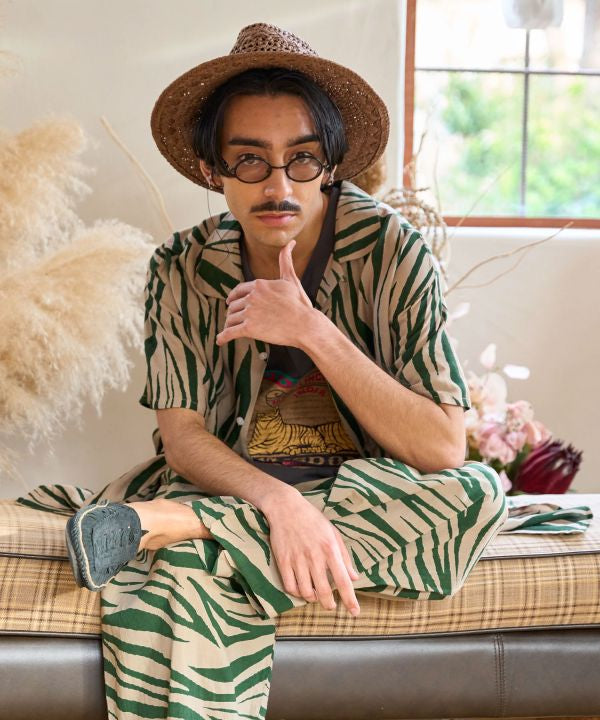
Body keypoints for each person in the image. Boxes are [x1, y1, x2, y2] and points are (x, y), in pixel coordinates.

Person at [27, 22, 508, 720]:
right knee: (182, 578)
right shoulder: (181, 267)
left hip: (367, 488)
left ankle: (178, 525)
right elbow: (183, 438)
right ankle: (193, 523)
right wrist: (281, 506)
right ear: (211, 169)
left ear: (331, 164)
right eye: (250, 160)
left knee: (474, 495)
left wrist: (312, 329)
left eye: (302, 159)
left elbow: (441, 448)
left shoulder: (393, 251)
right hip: (235, 480)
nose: (279, 185)